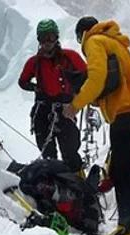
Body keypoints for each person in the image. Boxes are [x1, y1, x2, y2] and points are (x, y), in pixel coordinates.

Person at [63, 16, 130, 235]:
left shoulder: (94, 41)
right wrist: (100, 100)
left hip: (124, 111)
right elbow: (114, 81)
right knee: (122, 169)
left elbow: (97, 77)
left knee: (122, 170)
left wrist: (76, 104)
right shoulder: (115, 42)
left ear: (82, 33)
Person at [18, 19, 86, 173]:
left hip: (64, 110)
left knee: (70, 153)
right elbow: (22, 82)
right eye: (43, 38)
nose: (47, 42)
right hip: (43, 111)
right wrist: (35, 88)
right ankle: (55, 186)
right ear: (38, 40)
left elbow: (87, 76)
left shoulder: (70, 57)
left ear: (56, 37)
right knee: (49, 156)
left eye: (50, 37)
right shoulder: (34, 62)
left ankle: (77, 184)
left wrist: (78, 95)